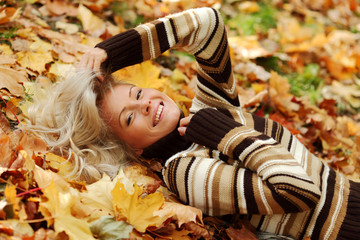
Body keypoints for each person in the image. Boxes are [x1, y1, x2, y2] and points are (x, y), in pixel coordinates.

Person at [28, 7, 359, 240]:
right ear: (132, 147)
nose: (145, 104)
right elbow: (299, 191)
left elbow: (207, 24)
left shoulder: (206, 111)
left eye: (138, 92)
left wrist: (113, 53)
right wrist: (230, 135)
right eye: (130, 117)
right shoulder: (185, 172)